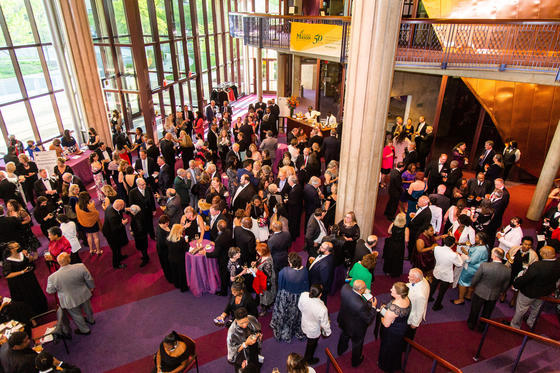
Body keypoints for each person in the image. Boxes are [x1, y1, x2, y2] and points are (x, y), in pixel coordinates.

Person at [510, 246, 560, 329]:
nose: (539, 254)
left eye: (541, 252)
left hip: (529, 292)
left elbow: (526, 278)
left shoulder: (538, 265)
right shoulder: (558, 264)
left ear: (545, 254)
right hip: (544, 293)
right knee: (536, 309)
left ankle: (514, 326)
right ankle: (531, 323)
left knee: (521, 309)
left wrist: (516, 284)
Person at [46, 253, 95, 336]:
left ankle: (85, 330)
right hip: (84, 293)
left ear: (58, 262)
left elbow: (50, 291)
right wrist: (91, 287)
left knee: (76, 315)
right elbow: (89, 278)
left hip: (68, 299)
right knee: (88, 309)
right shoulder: (81, 266)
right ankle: (91, 320)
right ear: (69, 260)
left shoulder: (52, 277)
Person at [467, 248, 511, 331]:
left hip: (480, 292)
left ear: (494, 256)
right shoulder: (507, 270)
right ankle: (482, 327)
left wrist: (472, 286)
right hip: (494, 294)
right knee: (487, 312)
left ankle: (471, 324)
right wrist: (501, 292)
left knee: (475, 309)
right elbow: (506, 285)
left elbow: (476, 278)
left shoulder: (485, 265)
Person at [270, 252, 309, 343]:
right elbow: (306, 285)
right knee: (297, 314)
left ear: (291, 263)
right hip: (300, 297)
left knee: (284, 314)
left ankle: (284, 332)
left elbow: (280, 286)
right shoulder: (305, 271)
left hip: (286, 297)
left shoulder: (284, 271)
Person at [2, 241, 48, 315]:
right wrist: (22, 272)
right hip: (19, 283)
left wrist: (28, 256)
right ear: (11, 249)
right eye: (16, 246)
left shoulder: (23, 253)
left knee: (34, 292)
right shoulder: (8, 261)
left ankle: (41, 308)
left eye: (18, 245)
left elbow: (31, 260)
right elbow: (7, 275)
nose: (19, 247)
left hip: (30, 278)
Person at [337, 280, 375, 367]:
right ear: (361, 290)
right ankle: (355, 361)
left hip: (344, 320)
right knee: (357, 344)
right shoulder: (361, 305)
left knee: (344, 335)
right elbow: (368, 319)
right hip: (356, 328)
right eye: (365, 288)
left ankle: (340, 350)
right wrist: (373, 307)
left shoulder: (345, 288)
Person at [376, 282, 411, 372]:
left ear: (399, 294)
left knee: (387, 348)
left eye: (393, 289)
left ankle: (384, 365)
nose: (390, 289)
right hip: (402, 328)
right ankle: (395, 364)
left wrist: (382, 315)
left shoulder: (394, 308)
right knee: (396, 347)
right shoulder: (407, 298)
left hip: (392, 332)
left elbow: (386, 324)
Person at [453, 232, 489, 305]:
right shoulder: (485, 246)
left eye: (476, 238)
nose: (475, 239)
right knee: (472, 281)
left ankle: (461, 299)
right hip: (478, 268)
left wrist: (462, 255)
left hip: (471, 268)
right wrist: (467, 252)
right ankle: (468, 295)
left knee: (462, 281)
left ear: (481, 240)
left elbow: (471, 260)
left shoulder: (479, 250)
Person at [503, 236, 539, 307]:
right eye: (525, 244)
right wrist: (509, 258)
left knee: (517, 288)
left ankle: (514, 298)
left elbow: (534, 267)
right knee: (506, 284)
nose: (527, 246)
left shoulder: (533, 255)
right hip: (511, 270)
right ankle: (503, 293)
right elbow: (508, 254)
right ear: (522, 243)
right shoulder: (515, 248)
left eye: (529, 245)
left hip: (521, 274)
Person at [430, 236, 463, 311]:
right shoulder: (453, 254)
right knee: (442, 291)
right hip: (446, 274)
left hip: (437, 271)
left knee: (433, 286)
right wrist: (458, 255)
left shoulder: (437, 248)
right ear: (453, 245)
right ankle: (436, 305)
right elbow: (459, 264)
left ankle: (429, 298)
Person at [227, 307, 262, 372]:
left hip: (253, 349)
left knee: (255, 367)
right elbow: (231, 354)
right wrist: (245, 344)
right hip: (241, 356)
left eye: (246, 321)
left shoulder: (251, 318)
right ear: (236, 320)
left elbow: (258, 329)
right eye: (241, 323)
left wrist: (258, 335)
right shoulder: (232, 332)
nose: (245, 325)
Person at [206, 219, 233, 296]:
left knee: (223, 275)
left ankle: (223, 292)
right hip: (229, 255)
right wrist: (215, 244)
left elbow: (215, 254)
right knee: (227, 273)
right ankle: (228, 284)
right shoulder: (228, 231)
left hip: (223, 259)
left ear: (218, 227)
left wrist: (205, 253)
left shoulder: (219, 239)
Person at [102, 199, 129, 269]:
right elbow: (115, 229)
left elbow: (119, 211)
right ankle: (116, 264)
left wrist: (126, 209)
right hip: (111, 235)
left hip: (109, 230)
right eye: (123, 206)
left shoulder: (110, 207)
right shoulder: (113, 216)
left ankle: (120, 256)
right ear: (119, 207)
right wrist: (123, 224)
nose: (123, 207)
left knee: (118, 247)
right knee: (115, 249)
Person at [308, 241, 335, 306]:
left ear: (327, 250)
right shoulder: (326, 255)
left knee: (319, 302)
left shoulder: (325, 265)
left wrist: (317, 290)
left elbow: (324, 281)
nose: (320, 247)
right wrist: (315, 261)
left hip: (316, 285)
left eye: (322, 247)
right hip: (315, 279)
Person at [406, 269, 430, 340]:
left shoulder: (420, 295)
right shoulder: (422, 280)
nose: (408, 277)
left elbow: (420, 310)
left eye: (410, 277)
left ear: (417, 279)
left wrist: (415, 324)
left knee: (409, 335)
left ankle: (406, 347)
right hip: (411, 308)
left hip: (412, 316)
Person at [383, 213, 408, 277]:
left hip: (391, 243)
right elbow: (406, 240)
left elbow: (389, 232)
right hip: (399, 245)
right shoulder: (406, 229)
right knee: (397, 259)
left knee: (389, 257)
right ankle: (395, 273)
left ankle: (387, 271)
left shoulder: (393, 224)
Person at [166, 224, 189, 292]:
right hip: (180, 259)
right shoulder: (181, 240)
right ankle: (183, 288)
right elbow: (186, 249)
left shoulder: (169, 238)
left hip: (171, 258)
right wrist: (187, 242)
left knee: (175, 272)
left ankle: (177, 284)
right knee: (181, 274)